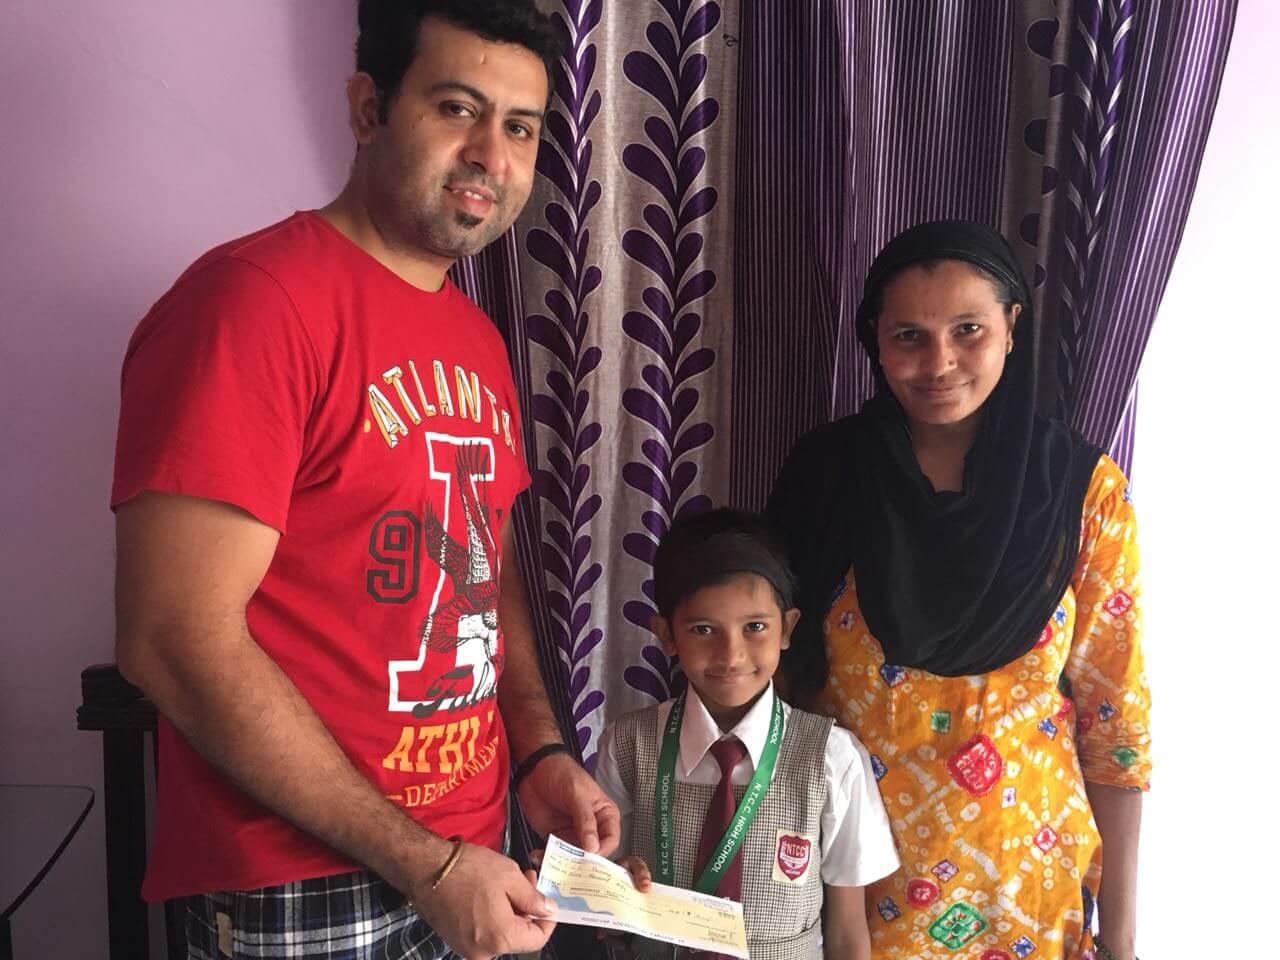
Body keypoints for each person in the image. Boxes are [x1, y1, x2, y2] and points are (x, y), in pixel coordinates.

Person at [110, 3, 620, 958]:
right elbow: (170, 641)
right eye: (457, 108)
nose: (491, 154)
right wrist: (425, 864)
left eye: (520, 127)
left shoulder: (475, 336)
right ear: (366, 108)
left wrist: (539, 750)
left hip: (472, 849)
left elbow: (486, 568)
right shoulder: (251, 305)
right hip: (305, 878)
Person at [765, 220, 1150, 960]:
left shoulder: (1082, 492)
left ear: (1011, 326)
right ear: (875, 342)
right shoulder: (826, 478)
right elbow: (770, 689)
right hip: (850, 900)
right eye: (908, 335)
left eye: (967, 330)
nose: (939, 362)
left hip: (1030, 899)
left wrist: (1123, 938)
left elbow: (1117, 725)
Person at [592, 509, 901, 960]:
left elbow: (848, 932)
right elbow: (602, 882)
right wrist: (615, 883)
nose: (731, 655)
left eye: (754, 627)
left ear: (787, 628)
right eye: (703, 629)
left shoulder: (832, 759)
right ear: (667, 635)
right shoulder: (627, 747)